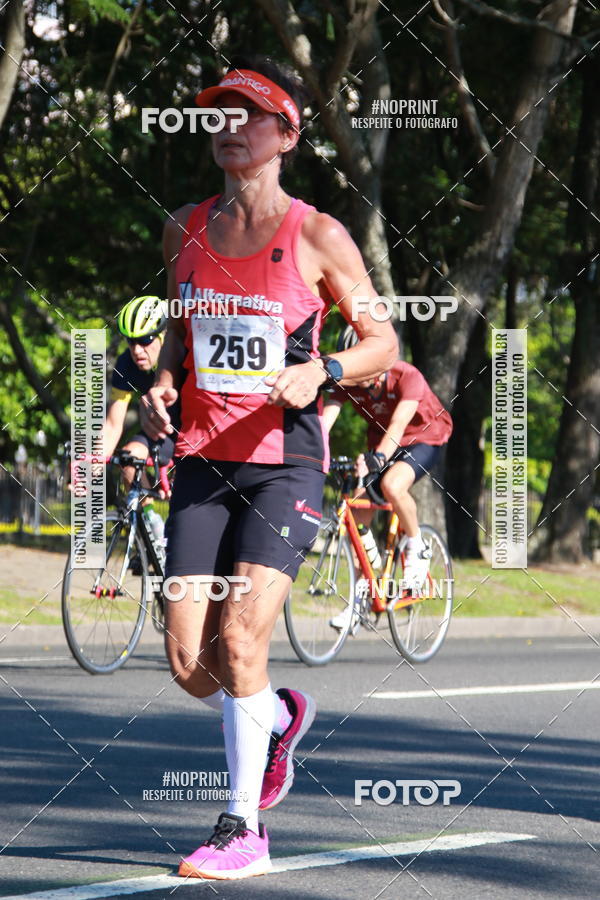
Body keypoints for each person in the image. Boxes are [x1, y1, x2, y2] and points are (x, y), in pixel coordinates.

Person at [140, 56, 397, 880]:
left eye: (246, 115)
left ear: (286, 135)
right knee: (190, 662)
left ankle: (240, 828)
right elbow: (183, 336)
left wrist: (324, 371)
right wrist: (166, 383)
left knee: (243, 636)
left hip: (284, 461)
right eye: (216, 115)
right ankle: (279, 716)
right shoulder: (183, 227)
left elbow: (383, 342)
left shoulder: (317, 234)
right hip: (202, 460)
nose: (227, 128)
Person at [323, 326, 453, 597]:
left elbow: (398, 425)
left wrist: (378, 459)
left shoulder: (406, 375)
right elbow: (324, 424)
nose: (354, 372)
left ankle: (418, 548)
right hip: (383, 443)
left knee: (393, 486)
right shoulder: (347, 383)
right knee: (357, 509)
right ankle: (363, 592)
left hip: (423, 438)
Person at [101, 295, 180, 544]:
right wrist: (87, 466)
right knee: (127, 459)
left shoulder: (185, 355)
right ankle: (150, 527)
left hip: (191, 429)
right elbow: (113, 424)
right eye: (131, 341)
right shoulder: (126, 363)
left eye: (145, 340)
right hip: (157, 430)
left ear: (164, 335)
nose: (137, 350)